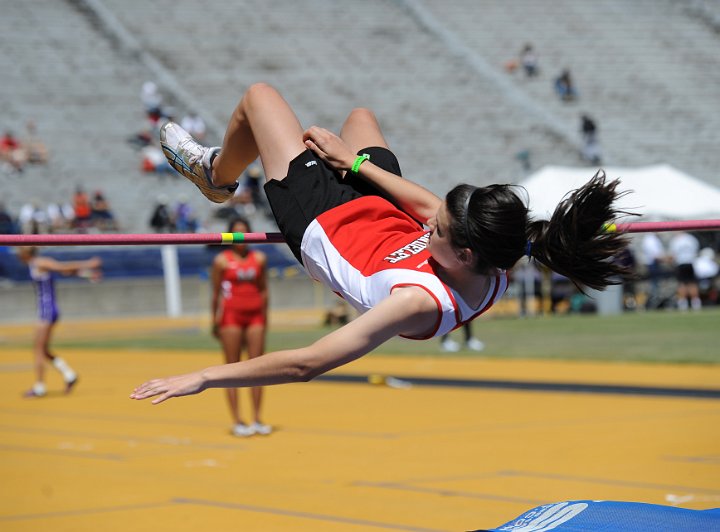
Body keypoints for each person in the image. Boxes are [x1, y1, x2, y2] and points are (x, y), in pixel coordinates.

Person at [130, 82, 631, 405]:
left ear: (463, 256)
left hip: (323, 223)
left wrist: (202, 377)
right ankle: (342, 160)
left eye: (437, 232)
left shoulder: (415, 303)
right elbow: (427, 209)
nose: (431, 224)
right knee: (360, 117)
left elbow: (308, 363)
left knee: (259, 98)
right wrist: (353, 163)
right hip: (377, 212)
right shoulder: (498, 258)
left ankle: (215, 176)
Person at [210, 217, 270, 436]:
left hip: (255, 317)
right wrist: (214, 321)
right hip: (231, 317)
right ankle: (237, 420)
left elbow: (264, 290)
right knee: (231, 369)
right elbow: (215, 293)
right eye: (235, 233)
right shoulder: (222, 261)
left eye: (244, 232)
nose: (240, 237)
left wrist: (265, 317)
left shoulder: (259, 258)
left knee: (258, 368)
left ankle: (257, 418)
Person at [17, 247, 102, 397]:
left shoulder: (40, 262)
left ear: (26, 252)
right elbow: (66, 272)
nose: (17, 255)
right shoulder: (34, 264)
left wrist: (89, 264)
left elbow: (64, 267)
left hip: (47, 310)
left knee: (38, 350)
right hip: (45, 310)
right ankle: (69, 375)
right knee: (43, 350)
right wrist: (88, 274)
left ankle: (39, 387)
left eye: (19, 251)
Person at [668, 231, 701, 311]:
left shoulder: (675, 240)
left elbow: (673, 254)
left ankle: (683, 303)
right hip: (690, 262)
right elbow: (696, 250)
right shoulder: (691, 238)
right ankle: (695, 303)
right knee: (692, 283)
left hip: (681, 263)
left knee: (682, 283)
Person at [640, 233, 665, 309]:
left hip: (653, 263)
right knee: (653, 284)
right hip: (652, 264)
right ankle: (652, 302)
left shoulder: (652, 239)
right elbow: (655, 255)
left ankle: (654, 301)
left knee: (655, 284)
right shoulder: (650, 239)